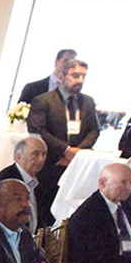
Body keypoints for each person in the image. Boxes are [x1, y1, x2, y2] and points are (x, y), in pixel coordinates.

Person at [25, 58, 99, 222]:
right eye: (75, 75)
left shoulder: (87, 101)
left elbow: (94, 130)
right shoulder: (43, 100)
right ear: (61, 75)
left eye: (83, 76)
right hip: (51, 164)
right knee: (45, 212)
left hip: (77, 166)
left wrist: (77, 153)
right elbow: (37, 129)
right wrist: (66, 151)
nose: (80, 80)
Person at [0, 136, 51, 228]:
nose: (41, 159)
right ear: (18, 157)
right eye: (35, 154)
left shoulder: (42, 180)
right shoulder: (4, 182)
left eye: (44, 154)